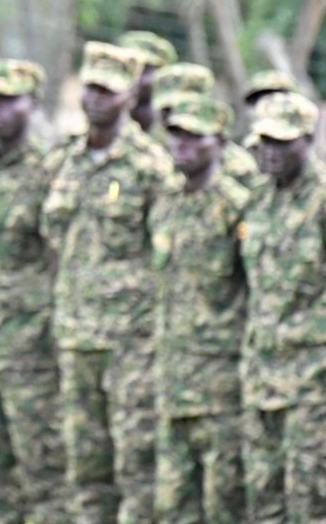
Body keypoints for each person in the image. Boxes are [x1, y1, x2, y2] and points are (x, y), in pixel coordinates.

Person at [42, 42, 174, 523]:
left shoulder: (151, 167)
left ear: (131, 95)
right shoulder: (64, 162)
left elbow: (167, 260)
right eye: (91, 87)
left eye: (109, 91)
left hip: (130, 346)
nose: (96, 99)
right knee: (84, 468)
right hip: (76, 339)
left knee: (137, 467)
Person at [0, 59, 66, 524]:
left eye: (9, 101)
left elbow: (64, 260)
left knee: (43, 475)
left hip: (32, 353)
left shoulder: (50, 171)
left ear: (32, 105)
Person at [149, 93, 248, 523]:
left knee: (223, 505)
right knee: (173, 507)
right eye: (176, 136)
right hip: (172, 385)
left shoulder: (236, 206)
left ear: (220, 142)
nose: (182, 146)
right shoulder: (168, 202)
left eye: (195, 138)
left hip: (220, 391)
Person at [239, 91, 326, 522]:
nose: (270, 152)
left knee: (309, 502)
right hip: (260, 379)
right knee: (263, 501)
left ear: (307, 139)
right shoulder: (257, 200)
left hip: (313, 386)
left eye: (282, 142)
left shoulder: (321, 201)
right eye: (264, 142)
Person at [117, 30, 176, 134]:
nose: (133, 78)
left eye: (143, 70)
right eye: (127, 67)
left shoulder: (177, 133)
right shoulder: (105, 123)